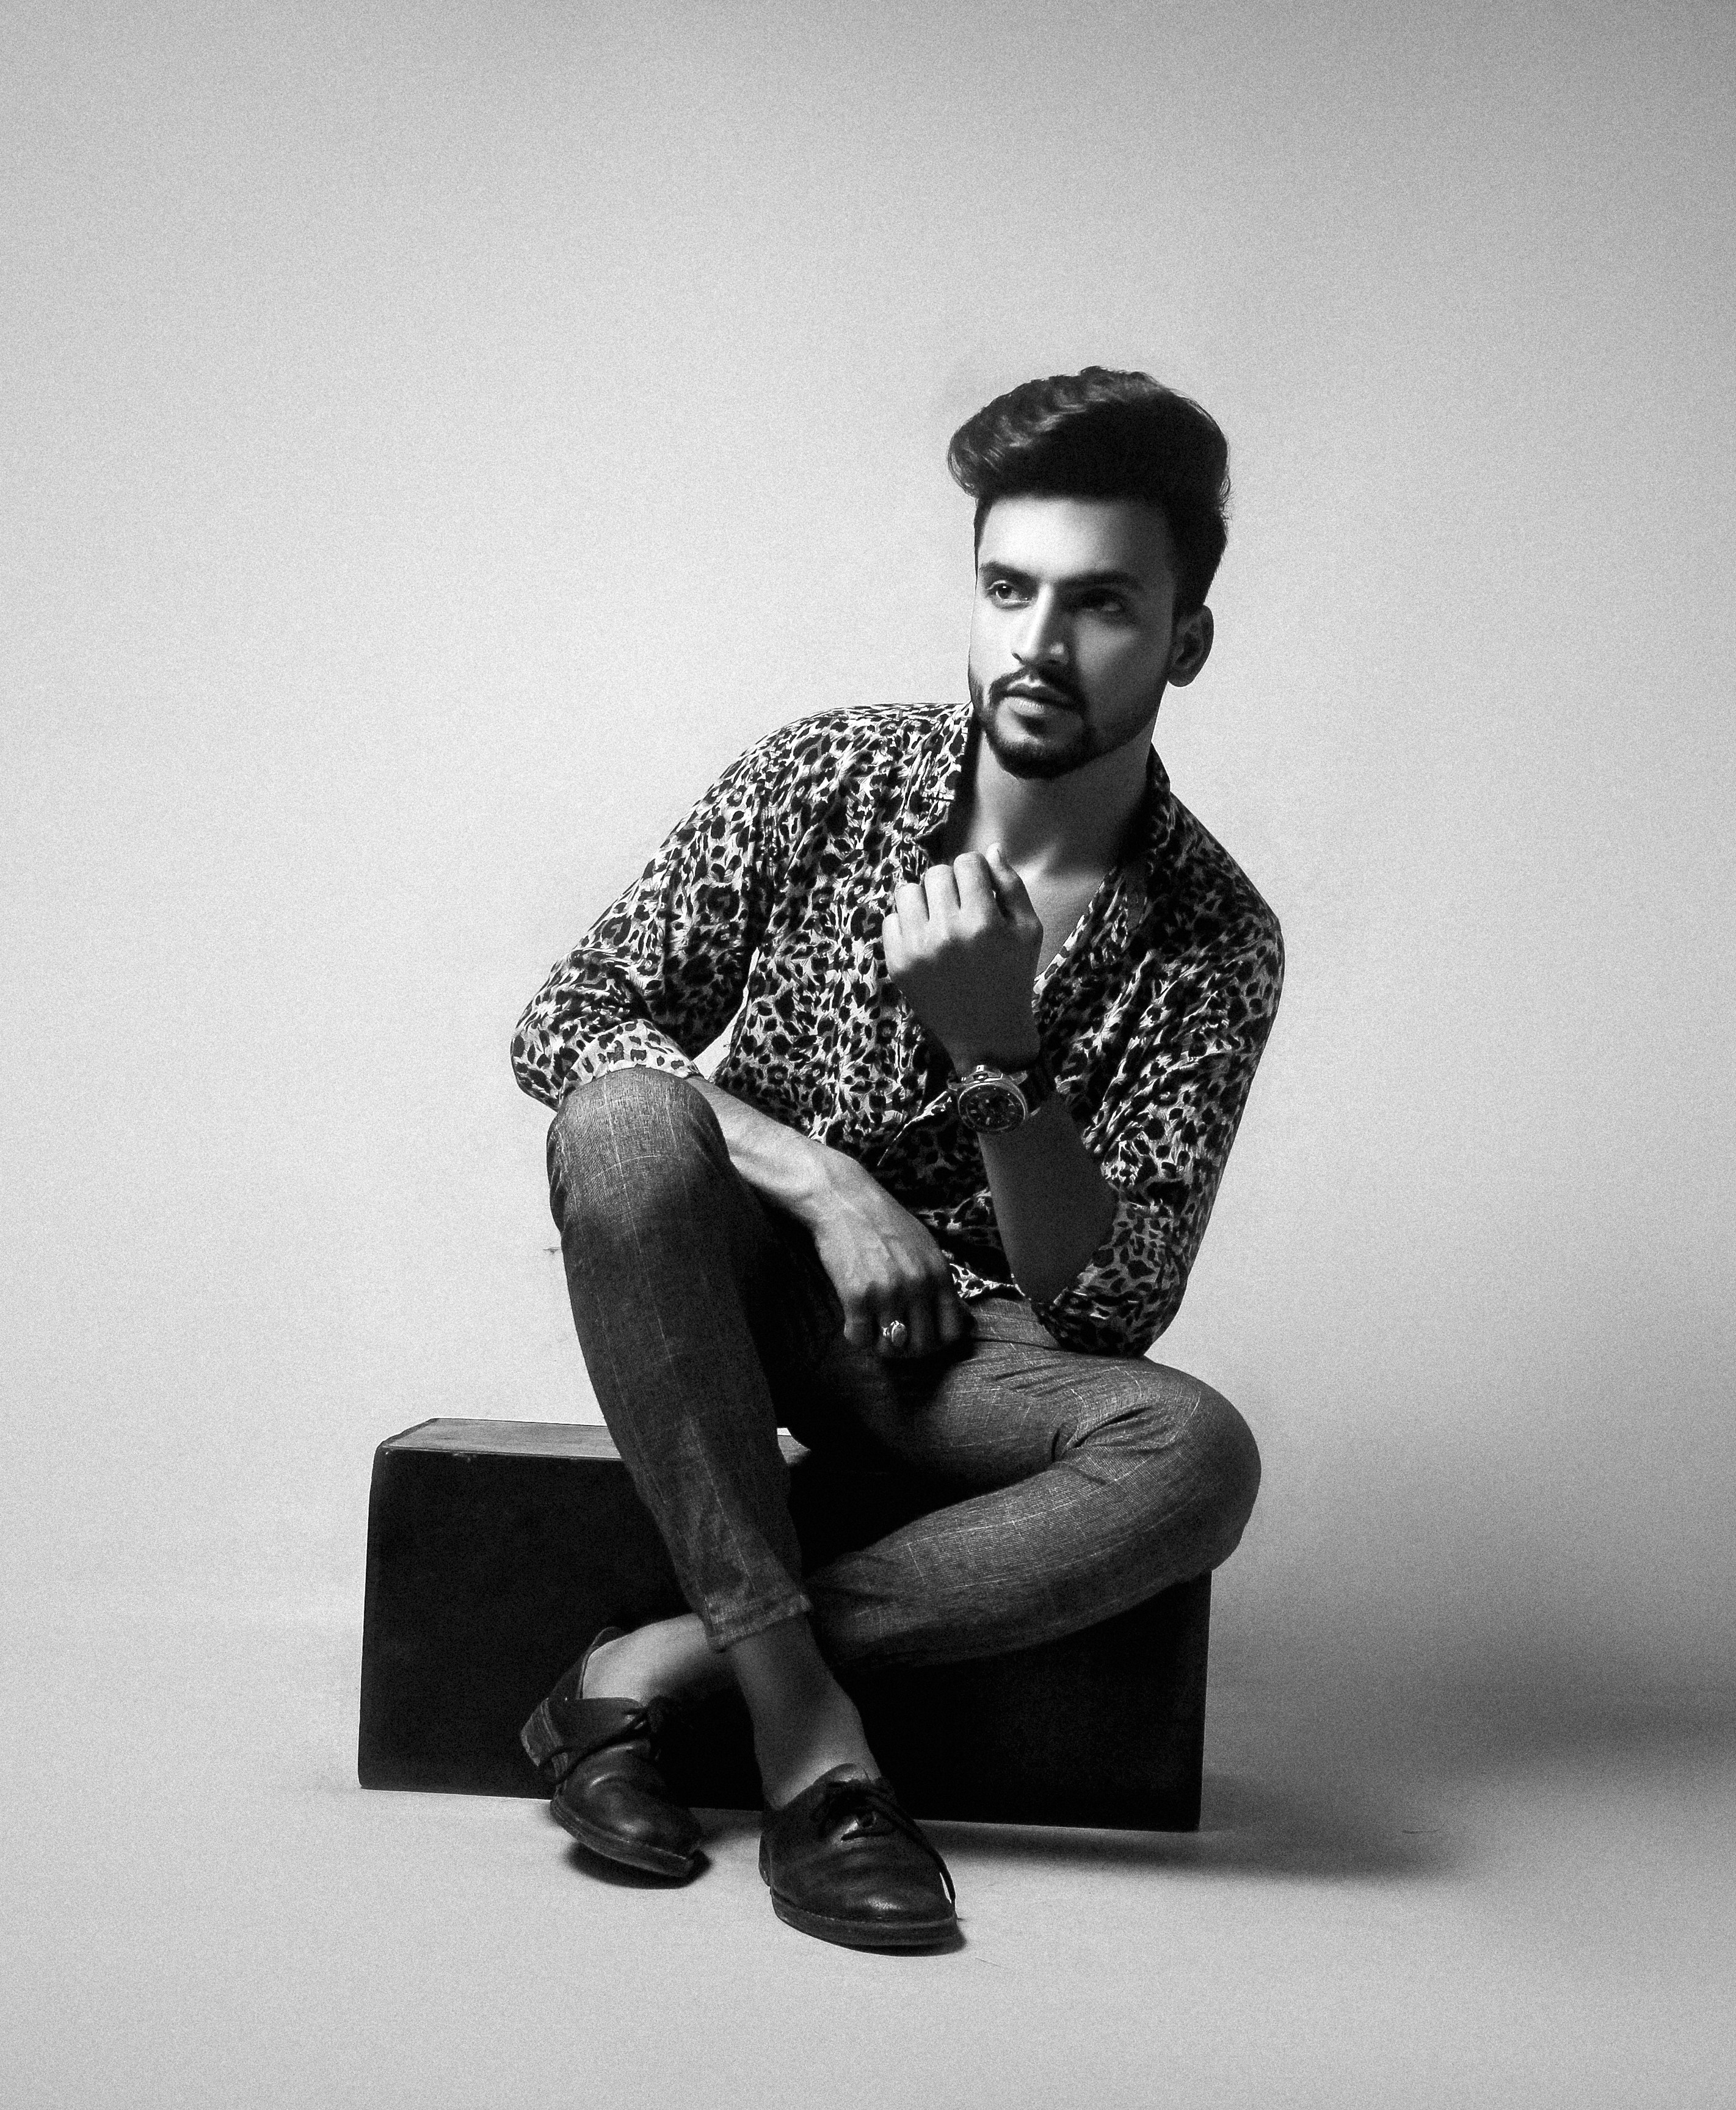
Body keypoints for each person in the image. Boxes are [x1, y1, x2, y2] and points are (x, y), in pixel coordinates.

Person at [507, 368, 1282, 1949]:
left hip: (960, 1375)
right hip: (748, 1299)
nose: (1039, 646)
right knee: (623, 1122)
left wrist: (1001, 1058)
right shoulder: (827, 783)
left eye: (1102, 605)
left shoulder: (1216, 937)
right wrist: (824, 1184)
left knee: (1192, 1453)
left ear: (1184, 642)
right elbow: (568, 1021)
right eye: (1008, 589)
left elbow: (1114, 1301)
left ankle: (654, 1671)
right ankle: (805, 1738)